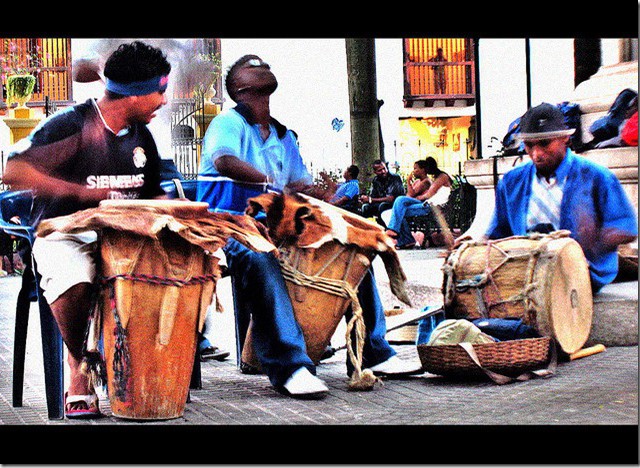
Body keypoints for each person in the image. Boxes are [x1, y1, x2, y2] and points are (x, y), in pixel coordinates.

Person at [197, 54, 423, 399]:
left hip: (276, 221)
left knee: (354, 245)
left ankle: (371, 352)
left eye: (264, 65)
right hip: (229, 223)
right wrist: (271, 182)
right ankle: (290, 366)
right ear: (239, 88)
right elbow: (224, 160)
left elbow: (299, 184)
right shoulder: (228, 122)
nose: (262, 65)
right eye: (251, 66)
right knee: (263, 257)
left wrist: (326, 195)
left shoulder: (282, 135)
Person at [2, 41, 172, 418]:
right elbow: (13, 169)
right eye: (159, 90)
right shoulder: (72, 124)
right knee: (77, 277)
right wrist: (77, 192)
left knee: (189, 264)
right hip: (65, 234)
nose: (163, 100)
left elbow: (156, 192)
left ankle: (149, 369)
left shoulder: (142, 136)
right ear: (135, 93)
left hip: (123, 237)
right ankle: (80, 365)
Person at [72, 39, 230, 363]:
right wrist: (118, 77)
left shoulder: (178, 45)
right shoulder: (112, 45)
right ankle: (114, 343)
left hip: (160, 151)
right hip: (114, 150)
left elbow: (205, 76)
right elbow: (79, 70)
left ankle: (191, 333)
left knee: (184, 240)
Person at [486, 102, 638, 293]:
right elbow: (498, 232)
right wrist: (473, 246)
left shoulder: (597, 176)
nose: (536, 154)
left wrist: (598, 238)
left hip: (582, 273)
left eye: (544, 143)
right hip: (526, 270)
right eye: (529, 145)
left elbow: (628, 227)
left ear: (565, 138)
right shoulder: (511, 182)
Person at [384, 157, 452, 249]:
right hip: (427, 204)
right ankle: (404, 238)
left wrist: (417, 197)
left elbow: (428, 194)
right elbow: (410, 195)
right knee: (399, 207)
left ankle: (397, 232)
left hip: (431, 206)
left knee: (399, 205)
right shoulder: (436, 177)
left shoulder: (442, 177)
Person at [359, 160, 405, 226]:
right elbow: (373, 196)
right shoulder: (375, 180)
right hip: (381, 203)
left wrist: (370, 199)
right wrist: (365, 199)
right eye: (380, 170)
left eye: (384, 168)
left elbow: (390, 198)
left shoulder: (394, 178)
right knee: (365, 207)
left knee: (383, 206)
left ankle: (384, 229)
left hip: (395, 204)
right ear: (375, 172)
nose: (383, 171)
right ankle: (369, 228)